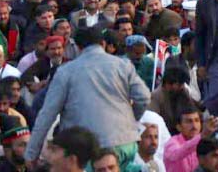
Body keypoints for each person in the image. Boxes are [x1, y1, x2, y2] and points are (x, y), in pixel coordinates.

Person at [24, 26, 150, 171]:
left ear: (78, 47)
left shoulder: (65, 72)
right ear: (103, 44)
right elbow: (144, 97)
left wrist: (31, 153)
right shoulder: (123, 65)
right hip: (125, 143)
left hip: (86, 150)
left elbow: (47, 114)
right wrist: (131, 120)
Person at [163, 106, 218, 172]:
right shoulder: (172, 143)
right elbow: (177, 154)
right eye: (189, 121)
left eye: (197, 120)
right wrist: (202, 135)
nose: (194, 125)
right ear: (179, 127)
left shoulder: (206, 142)